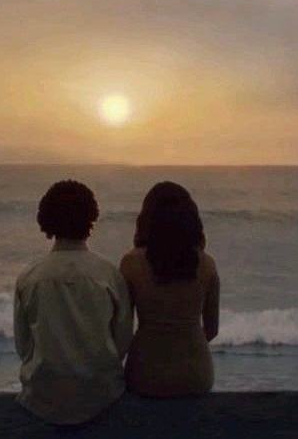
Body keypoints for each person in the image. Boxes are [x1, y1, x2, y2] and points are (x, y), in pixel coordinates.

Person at [14, 179, 133, 424]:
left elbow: (23, 346)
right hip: (102, 395)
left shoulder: (30, 278)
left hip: (42, 398)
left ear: (46, 220)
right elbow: (122, 341)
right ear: (91, 218)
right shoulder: (109, 275)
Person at [120, 181, 220, 397]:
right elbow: (212, 330)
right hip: (196, 375)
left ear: (146, 219)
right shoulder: (207, 264)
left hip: (145, 374)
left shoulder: (131, 263)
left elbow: (123, 330)